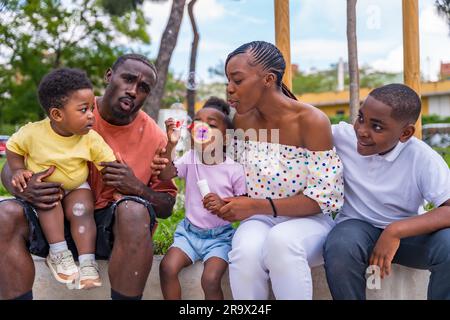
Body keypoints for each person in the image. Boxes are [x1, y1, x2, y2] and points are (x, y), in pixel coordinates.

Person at [153, 41, 345, 300]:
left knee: (282, 241)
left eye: (238, 80)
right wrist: (169, 154)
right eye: (228, 80)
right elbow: (218, 164)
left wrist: (254, 205)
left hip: (308, 222)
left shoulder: (310, 121)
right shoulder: (242, 121)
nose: (229, 89)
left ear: (268, 79)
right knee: (244, 249)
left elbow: (323, 199)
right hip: (259, 219)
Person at [0, 53, 177, 300]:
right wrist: (22, 185)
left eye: (143, 88)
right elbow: (15, 159)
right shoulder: (73, 106)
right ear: (109, 76)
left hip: (110, 231)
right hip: (53, 219)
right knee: (4, 214)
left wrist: (136, 187)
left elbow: (167, 205)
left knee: (134, 211)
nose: (133, 90)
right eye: (127, 79)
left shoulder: (155, 138)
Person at [323, 83, 450, 300]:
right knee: (340, 245)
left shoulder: (422, 157)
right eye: (361, 118)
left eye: (377, 127)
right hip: (356, 230)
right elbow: (300, 125)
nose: (362, 131)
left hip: (407, 236)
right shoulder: (342, 137)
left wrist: (395, 231)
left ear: (406, 133)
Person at [5, 68, 116, 289]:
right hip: (45, 187)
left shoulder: (90, 139)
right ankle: (58, 253)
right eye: (84, 110)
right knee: (49, 202)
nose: (91, 115)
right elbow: (13, 147)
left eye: (91, 108)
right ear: (57, 115)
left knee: (83, 209)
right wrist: (18, 170)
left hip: (77, 186)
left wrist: (116, 180)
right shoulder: (32, 133)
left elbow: (108, 165)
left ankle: (87, 263)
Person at [158, 97, 247, 300]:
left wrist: (224, 204)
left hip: (220, 238)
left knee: (210, 279)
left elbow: (243, 209)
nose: (202, 128)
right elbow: (165, 175)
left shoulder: (234, 169)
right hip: (188, 234)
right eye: (198, 121)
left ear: (226, 138)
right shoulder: (190, 158)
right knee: (167, 267)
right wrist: (171, 145)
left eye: (212, 125)